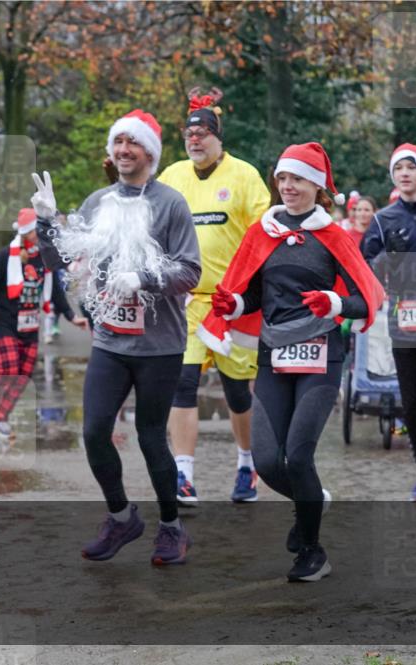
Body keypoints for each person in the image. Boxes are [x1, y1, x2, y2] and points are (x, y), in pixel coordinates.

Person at [202, 142, 384, 581]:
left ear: (316, 186)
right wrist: (233, 304)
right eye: (282, 179)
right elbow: (255, 295)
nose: (287, 187)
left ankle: (313, 552)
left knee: (298, 457)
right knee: (266, 462)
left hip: (322, 356)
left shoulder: (333, 235)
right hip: (274, 354)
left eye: (297, 179)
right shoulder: (263, 232)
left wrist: (334, 302)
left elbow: (367, 297)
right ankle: (311, 503)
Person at [31, 109, 202, 566]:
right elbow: (60, 262)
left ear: (150, 152)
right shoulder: (97, 201)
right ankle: (121, 516)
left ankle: (171, 526)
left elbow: (190, 270)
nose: (123, 150)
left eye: (133, 143)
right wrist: (46, 222)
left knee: (150, 438)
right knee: (93, 432)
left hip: (160, 345)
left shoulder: (171, 204)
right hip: (110, 341)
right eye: (118, 143)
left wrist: (142, 277)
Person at [157, 87, 270, 504]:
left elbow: (263, 235)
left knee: (238, 392)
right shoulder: (172, 176)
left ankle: (247, 464)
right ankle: (183, 475)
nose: (195, 140)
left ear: (218, 137)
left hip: (232, 303)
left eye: (203, 133)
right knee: (182, 384)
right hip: (186, 302)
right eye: (190, 135)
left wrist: (257, 291)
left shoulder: (244, 175)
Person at [363, 143, 416, 501]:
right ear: (393, 176)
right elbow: (364, 269)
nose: (405, 173)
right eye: (399, 169)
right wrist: (383, 259)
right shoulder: (383, 220)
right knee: (409, 401)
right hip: (401, 319)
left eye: (411, 167)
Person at [0, 208, 86, 439]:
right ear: (27, 232)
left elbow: (56, 292)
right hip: (5, 322)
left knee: (23, 375)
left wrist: (72, 317)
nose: (37, 234)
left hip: (30, 325)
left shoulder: (44, 257)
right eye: (33, 231)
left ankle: (0, 419)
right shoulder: (6, 256)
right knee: (8, 369)